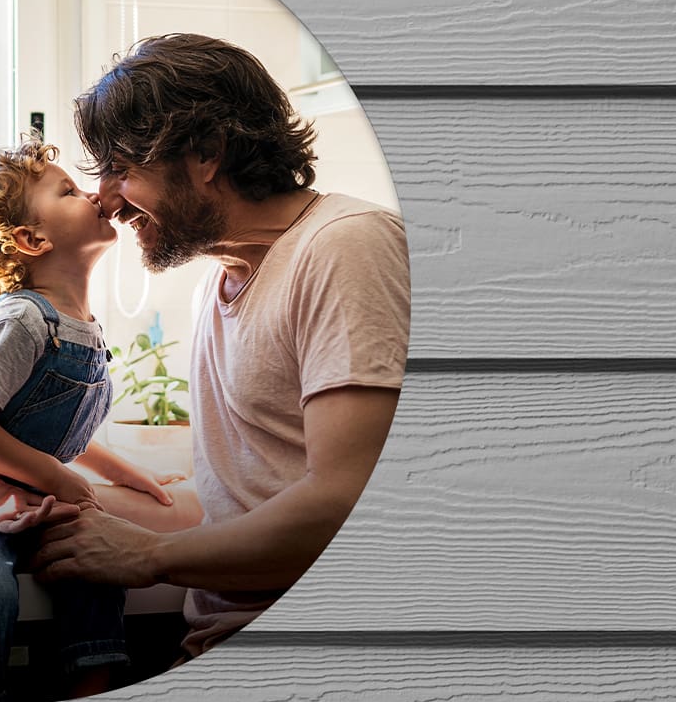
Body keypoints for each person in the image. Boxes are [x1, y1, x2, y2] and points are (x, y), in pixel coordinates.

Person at [30, 33, 411, 658]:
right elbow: (244, 502)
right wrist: (73, 509)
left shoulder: (345, 247)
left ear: (207, 152)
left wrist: (149, 555)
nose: (102, 197)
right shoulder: (223, 278)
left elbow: (345, 501)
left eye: (121, 169)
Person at [0, 138, 202, 698]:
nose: (93, 193)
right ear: (32, 239)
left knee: (97, 557)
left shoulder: (80, 324)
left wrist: (124, 474)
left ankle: (92, 685)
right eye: (68, 190)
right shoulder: (23, 319)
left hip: (25, 488)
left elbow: (54, 428)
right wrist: (63, 480)